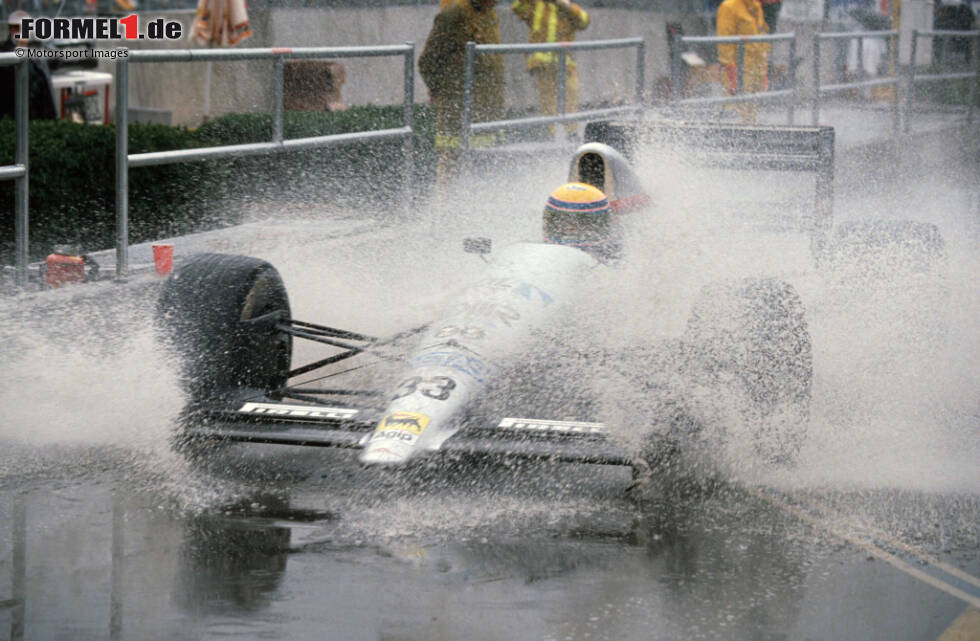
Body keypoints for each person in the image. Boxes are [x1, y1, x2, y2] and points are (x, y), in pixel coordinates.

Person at [419, 0, 505, 189]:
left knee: (485, 176)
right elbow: (428, 59)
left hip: (487, 112)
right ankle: (445, 213)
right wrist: (437, 90)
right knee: (451, 173)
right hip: (458, 112)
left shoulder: (490, 13)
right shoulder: (456, 12)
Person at [511, 0, 590, 137]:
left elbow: (584, 21)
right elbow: (517, 8)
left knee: (571, 94)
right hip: (542, 63)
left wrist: (566, 6)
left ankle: (572, 132)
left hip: (565, 62)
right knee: (548, 99)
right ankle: (550, 133)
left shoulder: (567, 7)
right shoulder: (536, 5)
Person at [715, 0, 770, 123]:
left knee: (751, 118)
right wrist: (732, 76)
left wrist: (764, 72)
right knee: (734, 115)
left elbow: (762, 42)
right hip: (738, 72)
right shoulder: (729, 7)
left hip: (756, 71)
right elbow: (725, 44)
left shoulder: (756, 7)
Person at [1, 10, 58, 121]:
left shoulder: (36, 49)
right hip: (15, 114)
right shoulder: (4, 51)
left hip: (39, 111)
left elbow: (55, 62)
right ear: (12, 30)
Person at [542, 182, 618, 261]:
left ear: (597, 226)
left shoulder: (613, 260)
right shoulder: (539, 256)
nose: (570, 228)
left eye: (580, 224)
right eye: (563, 223)